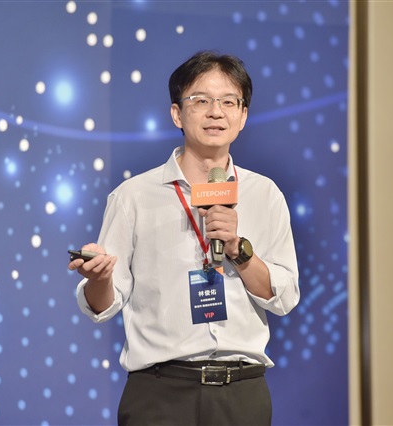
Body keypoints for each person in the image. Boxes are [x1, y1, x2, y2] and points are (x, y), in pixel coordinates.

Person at [68, 50, 300, 426]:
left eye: (229, 102)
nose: (216, 112)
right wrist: (100, 279)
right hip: (160, 394)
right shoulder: (134, 197)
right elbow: (103, 306)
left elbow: (284, 297)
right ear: (177, 113)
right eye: (201, 100)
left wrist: (238, 250)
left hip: (241, 393)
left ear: (243, 115)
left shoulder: (265, 194)